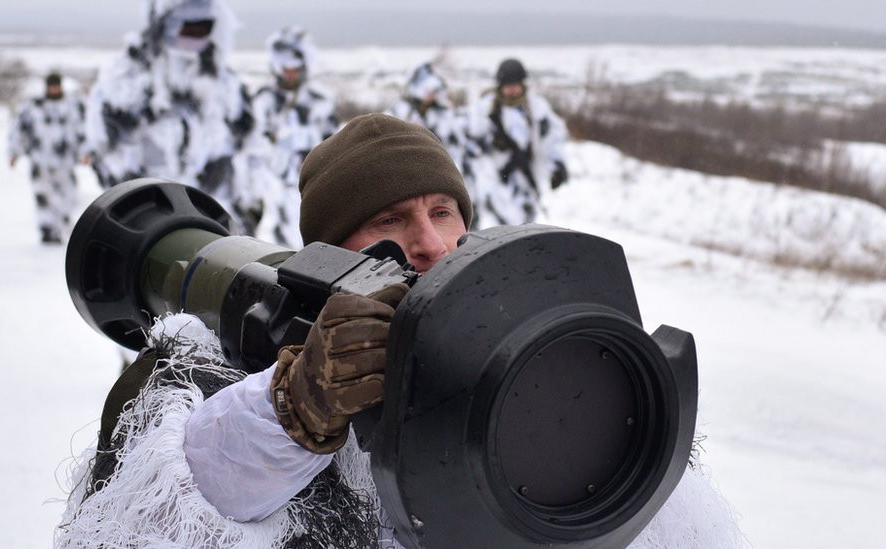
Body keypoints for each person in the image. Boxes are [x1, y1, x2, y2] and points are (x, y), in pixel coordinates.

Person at [57, 115, 742, 548]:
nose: (430, 244)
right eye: (387, 222)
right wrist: (296, 409)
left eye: (442, 211)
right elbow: (169, 515)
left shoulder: (522, 348)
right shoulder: (236, 377)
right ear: (327, 255)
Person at [82, 0, 255, 230]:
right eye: (188, 27)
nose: (196, 35)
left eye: (204, 27)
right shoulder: (127, 77)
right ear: (165, 25)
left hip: (205, 205)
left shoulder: (221, 82)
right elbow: (107, 144)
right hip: (146, 207)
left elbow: (238, 141)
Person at [246, 25, 338, 249]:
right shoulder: (263, 100)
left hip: (311, 181)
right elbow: (253, 143)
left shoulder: (319, 101)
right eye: (285, 69)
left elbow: (333, 142)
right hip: (272, 182)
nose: (290, 74)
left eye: (295, 69)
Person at [467, 58, 570, 227]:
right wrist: (488, 143)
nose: (512, 90)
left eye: (515, 85)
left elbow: (553, 139)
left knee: (526, 223)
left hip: (527, 176)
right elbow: (473, 138)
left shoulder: (536, 108)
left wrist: (558, 166)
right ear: (500, 86)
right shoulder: (487, 108)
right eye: (508, 86)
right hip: (496, 178)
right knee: (498, 225)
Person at [386, 62, 478, 227]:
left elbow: (458, 145)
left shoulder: (444, 113)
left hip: (445, 177)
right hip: (408, 180)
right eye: (427, 90)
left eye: (433, 91)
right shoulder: (400, 112)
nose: (430, 95)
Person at [7, 72, 85, 244]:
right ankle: (47, 230)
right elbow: (20, 129)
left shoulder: (71, 107)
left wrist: (85, 152)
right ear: (47, 87)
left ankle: (63, 222)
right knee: (43, 196)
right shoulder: (34, 107)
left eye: (57, 86)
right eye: (51, 86)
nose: (54, 89)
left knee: (68, 196)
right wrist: (14, 152)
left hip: (65, 163)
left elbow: (81, 131)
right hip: (40, 162)